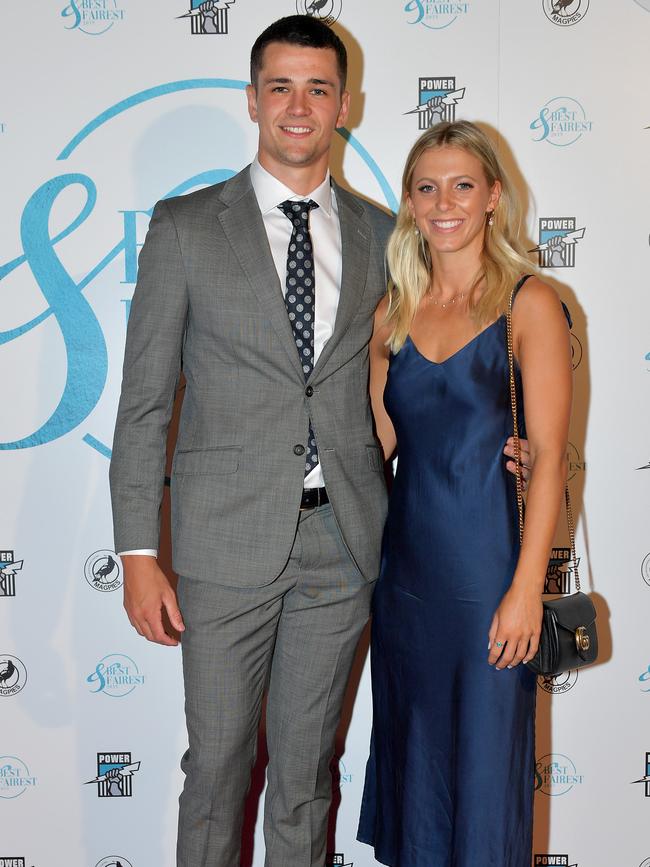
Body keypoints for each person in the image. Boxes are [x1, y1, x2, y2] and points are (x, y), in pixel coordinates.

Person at [109, 15, 393, 867]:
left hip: (342, 543)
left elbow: (404, 380)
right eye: (281, 88)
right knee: (219, 768)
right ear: (252, 99)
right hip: (222, 543)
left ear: (346, 103)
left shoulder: (385, 235)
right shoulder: (188, 226)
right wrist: (136, 553)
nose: (298, 107)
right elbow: (144, 405)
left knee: (307, 773)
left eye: (317, 89)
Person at [357, 121, 572, 866]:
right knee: (420, 780)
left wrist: (524, 590)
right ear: (411, 204)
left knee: (484, 783)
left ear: (492, 199)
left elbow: (547, 459)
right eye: (427, 187)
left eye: (462, 185)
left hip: (488, 581)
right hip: (406, 586)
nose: (444, 202)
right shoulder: (392, 312)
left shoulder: (529, 303)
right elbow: (371, 449)